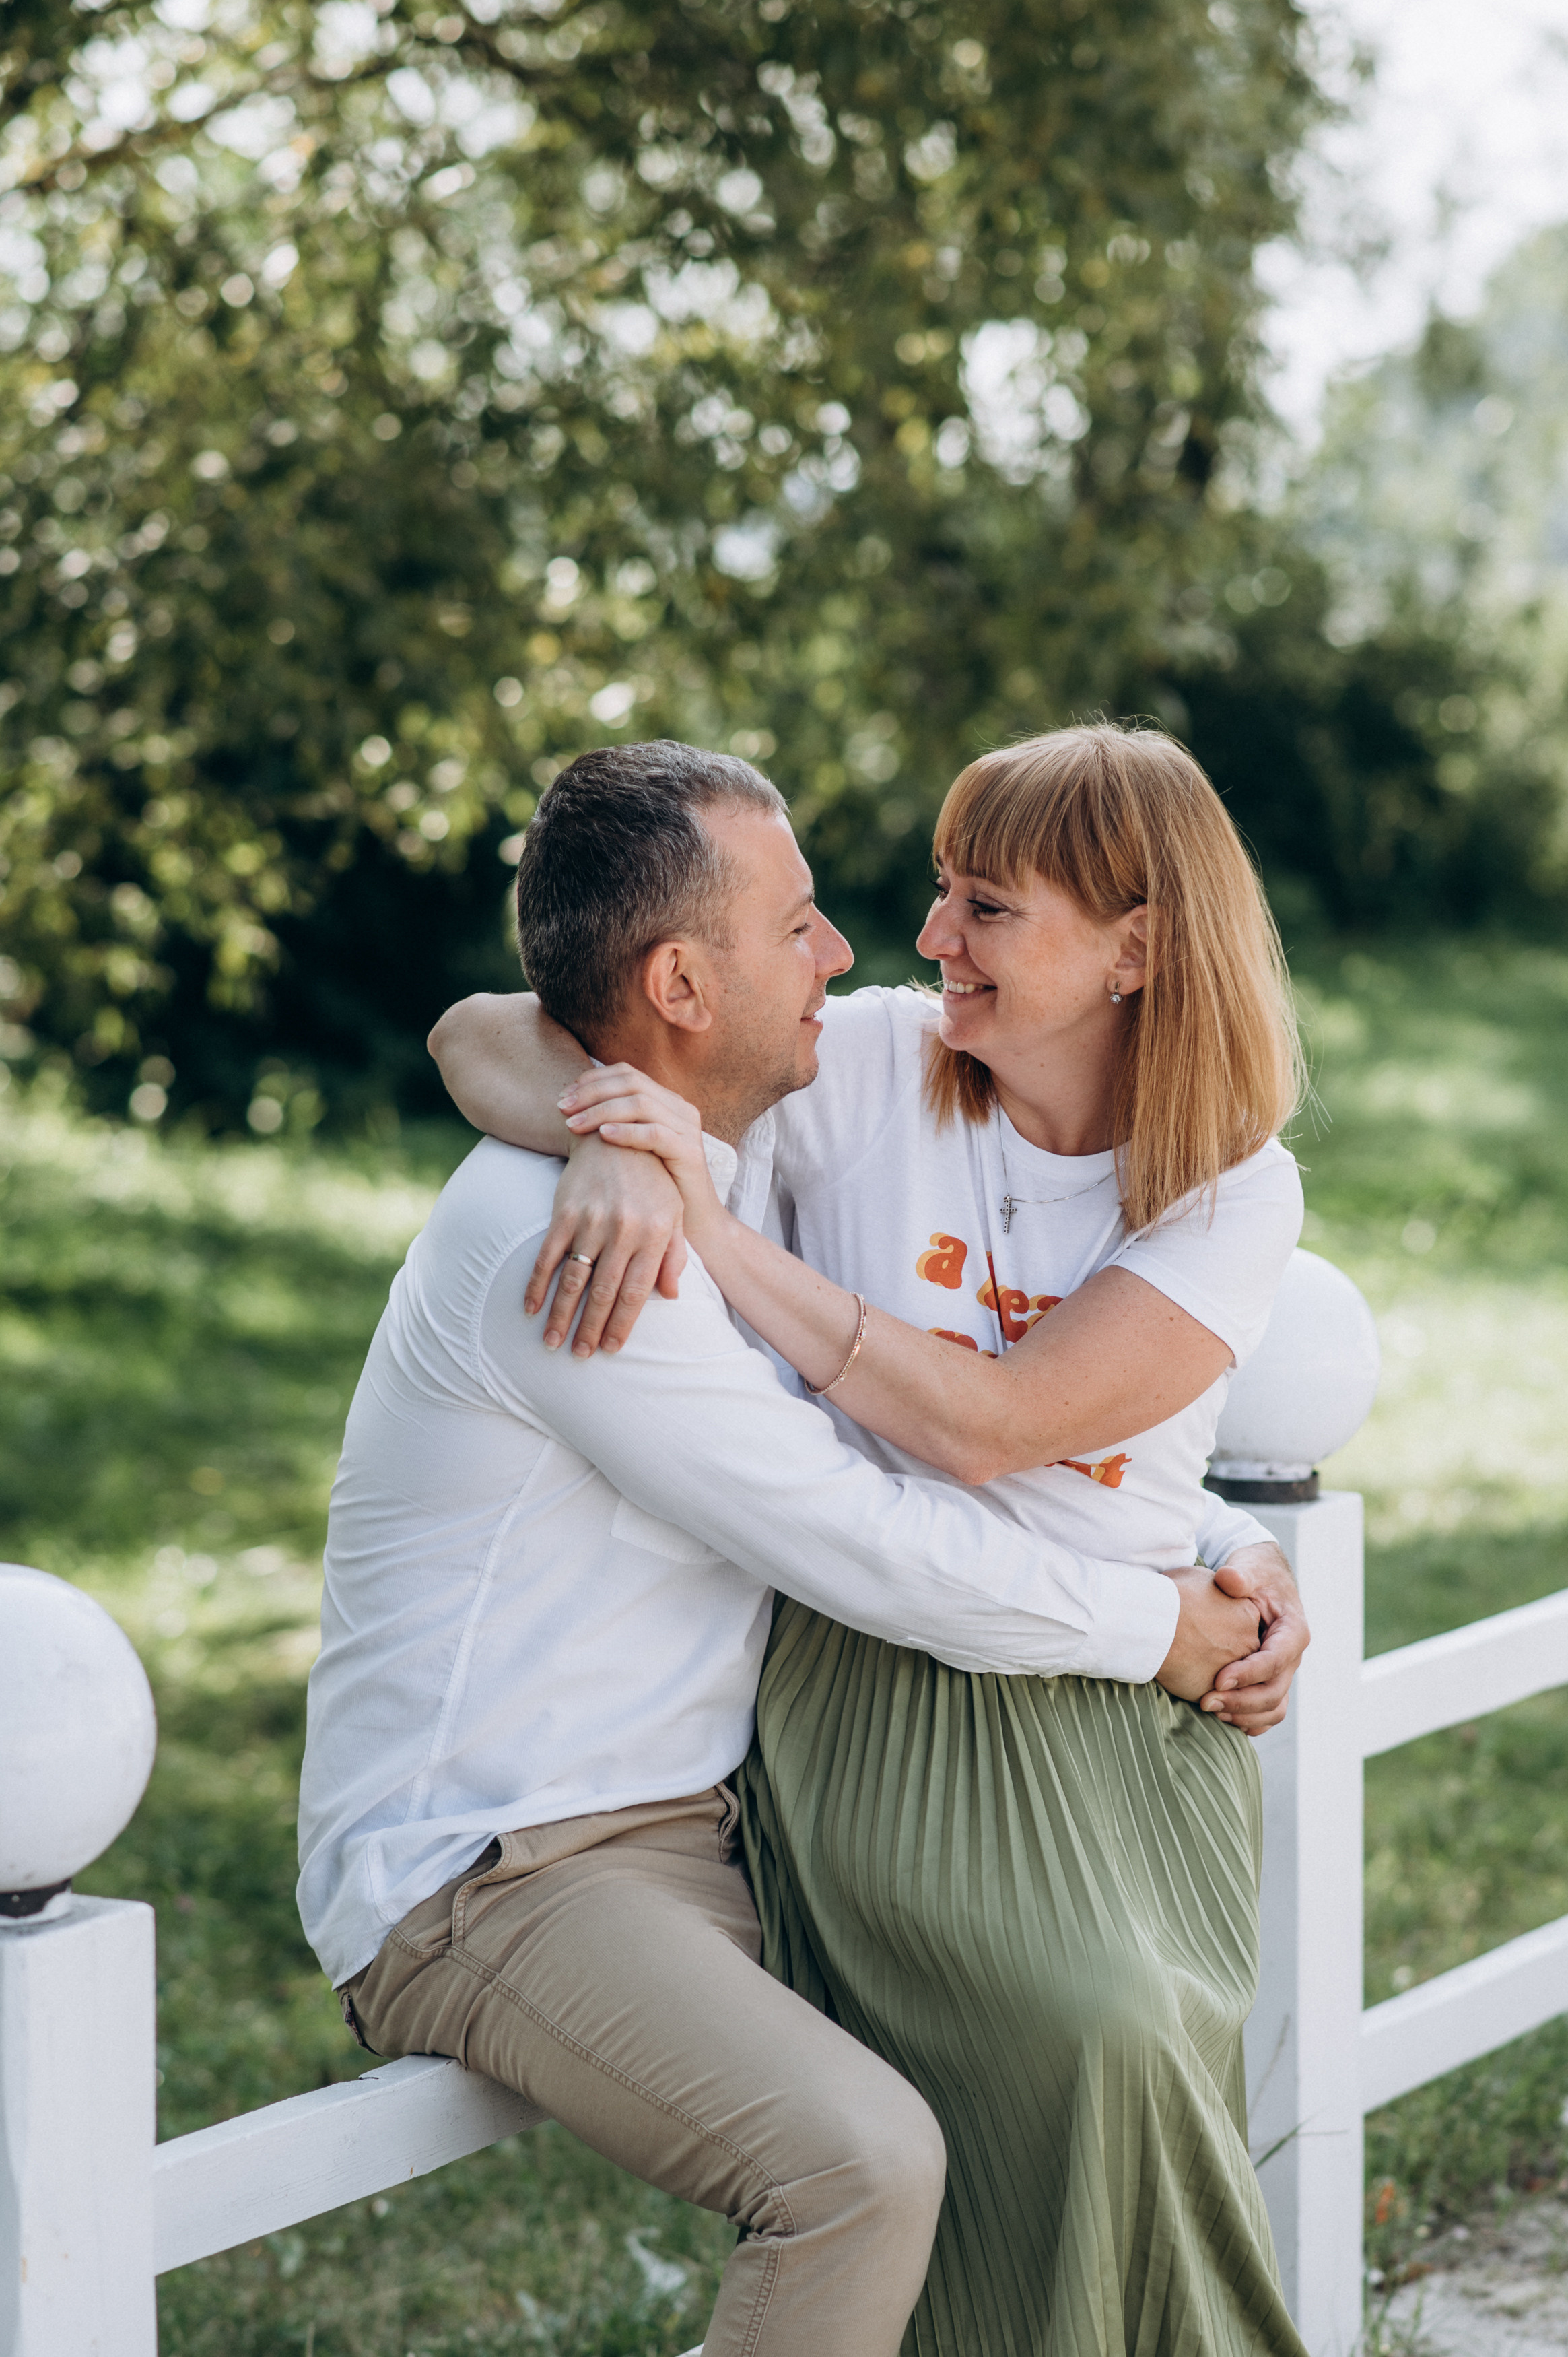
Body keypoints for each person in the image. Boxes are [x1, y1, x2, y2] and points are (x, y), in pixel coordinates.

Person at [300, 739, 1291, 2357]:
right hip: (499, 1860)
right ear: (687, 981)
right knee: (867, 2160)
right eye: (804, 922)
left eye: (975, 903)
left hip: (712, 1814)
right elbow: (870, 1532)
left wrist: (1223, 1538)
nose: (866, 947)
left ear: (1136, 950)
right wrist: (1154, 1625)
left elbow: (1057, 1422)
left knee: (1076, 2043)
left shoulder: (725, 1149)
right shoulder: (583, 1260)